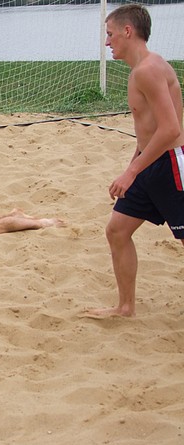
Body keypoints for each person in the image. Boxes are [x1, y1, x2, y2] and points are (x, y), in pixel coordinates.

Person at [87, 4, 184, 318]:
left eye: (110, 34)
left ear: (128, 31)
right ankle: (125, 306)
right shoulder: (140, 70)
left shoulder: (149, 69)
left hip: (170, 165)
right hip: (149, 162)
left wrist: (131, 172)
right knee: (117, 231)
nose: (107, 42)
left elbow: (171, 129)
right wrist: (134, 165)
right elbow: (149, 131)